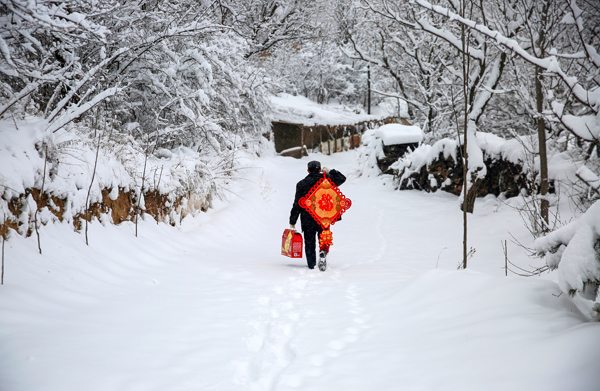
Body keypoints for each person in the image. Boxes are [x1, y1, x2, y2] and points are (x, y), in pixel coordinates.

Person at [289, 160, 346, 270]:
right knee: (324, 238)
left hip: (307, 217)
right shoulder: (327, 179)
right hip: (323, 217)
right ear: (320, 169)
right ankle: (323, 251)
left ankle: (312, 265)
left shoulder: (301, 184)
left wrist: (292, 221)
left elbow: (297, 204)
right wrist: (331, 171)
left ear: (308, 170)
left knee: (309, 242)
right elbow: (342, 178)